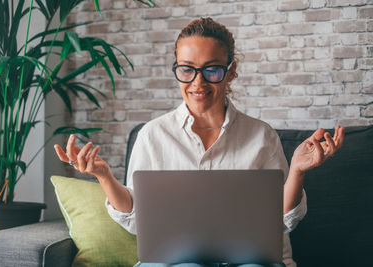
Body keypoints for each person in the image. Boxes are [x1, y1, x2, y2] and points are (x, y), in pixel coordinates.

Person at [54, 18, 345, 267]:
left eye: (211, 69)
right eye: (187, 69)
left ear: (230, 70)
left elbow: (282, 221)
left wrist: (297, 171)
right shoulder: (153, 135)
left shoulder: (261, 136)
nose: (198, 82)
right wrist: (103, 176)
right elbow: (137, 220)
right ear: (177, 69)